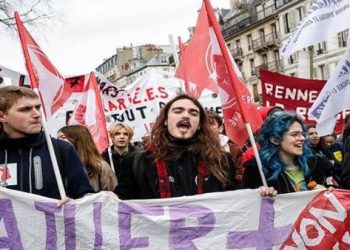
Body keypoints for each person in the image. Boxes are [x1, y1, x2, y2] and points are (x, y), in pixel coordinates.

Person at [115, 94, 276, 199]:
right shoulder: (138, 161)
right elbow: (120, 208)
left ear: (199, 125)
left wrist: (258, 196)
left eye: (193, 113)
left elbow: (235, 200)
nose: (185, 115)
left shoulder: (221, 160)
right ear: (165, 120)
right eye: (178, 111)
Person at [0, 86, 93, 199]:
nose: (37, 114)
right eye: (25, 109)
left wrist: (73, 203)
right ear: (2, 116)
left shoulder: (61, 149)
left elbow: (86, 199)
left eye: (38, 107)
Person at [243, 111, 337, 193]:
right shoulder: (258, 170)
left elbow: (332, 186)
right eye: (295, 134)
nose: (303, 138)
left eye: (302, 134)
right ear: (275, 139)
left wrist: (330, 190)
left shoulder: (314, 163)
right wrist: (259, 195)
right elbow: (247, 206)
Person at [58, 125, 118, 192]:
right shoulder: (57, 167)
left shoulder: (101, 167)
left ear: (78, 139)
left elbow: (111, 197)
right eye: (58, 138)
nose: (58, 141)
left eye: (63, 137)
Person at [207, 111, 243, 184]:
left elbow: (239, 176)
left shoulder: (234, 150)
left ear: (220, 128)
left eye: (211, 124)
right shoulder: (193, 149)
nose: (207, 127)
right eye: (204, 124)